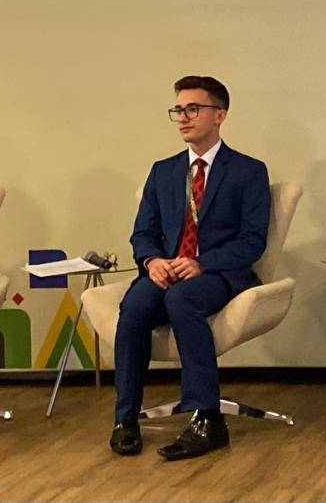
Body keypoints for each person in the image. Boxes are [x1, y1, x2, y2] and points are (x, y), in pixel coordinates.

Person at [109, 75, 271, 461]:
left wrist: (200, 263)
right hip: (166, 269)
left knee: (182, 299)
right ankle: (125, 418)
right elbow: (142, 232)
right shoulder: (163, 171)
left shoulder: (248, 171)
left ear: (220, 115)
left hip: (217, 273)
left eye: (193, 109)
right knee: (133, 309)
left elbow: (252, 241)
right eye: (178, 110)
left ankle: (206, 418)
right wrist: (153, 261)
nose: (183, 117)